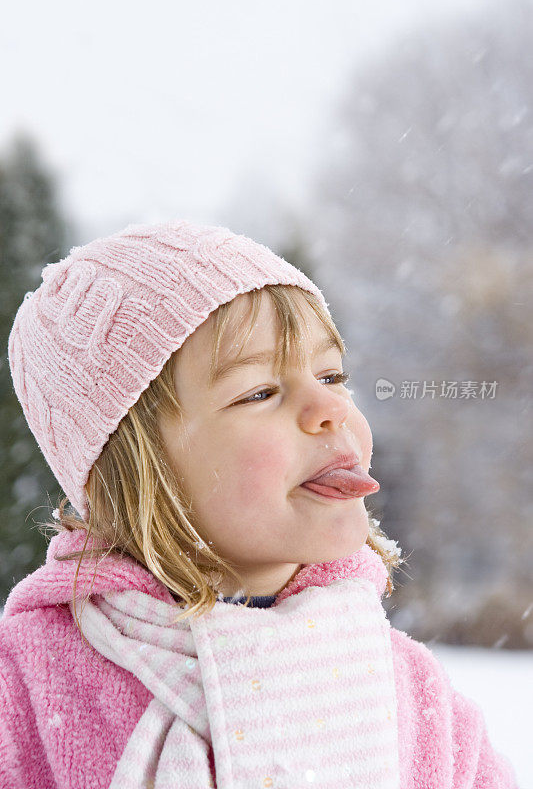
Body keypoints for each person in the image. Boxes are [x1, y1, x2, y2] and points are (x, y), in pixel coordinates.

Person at [1, 220, 517, 788]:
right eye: (260, 392)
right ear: (131, 475)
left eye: (332, 375)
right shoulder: (30, 689)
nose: (330, 407)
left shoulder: (414, 698)